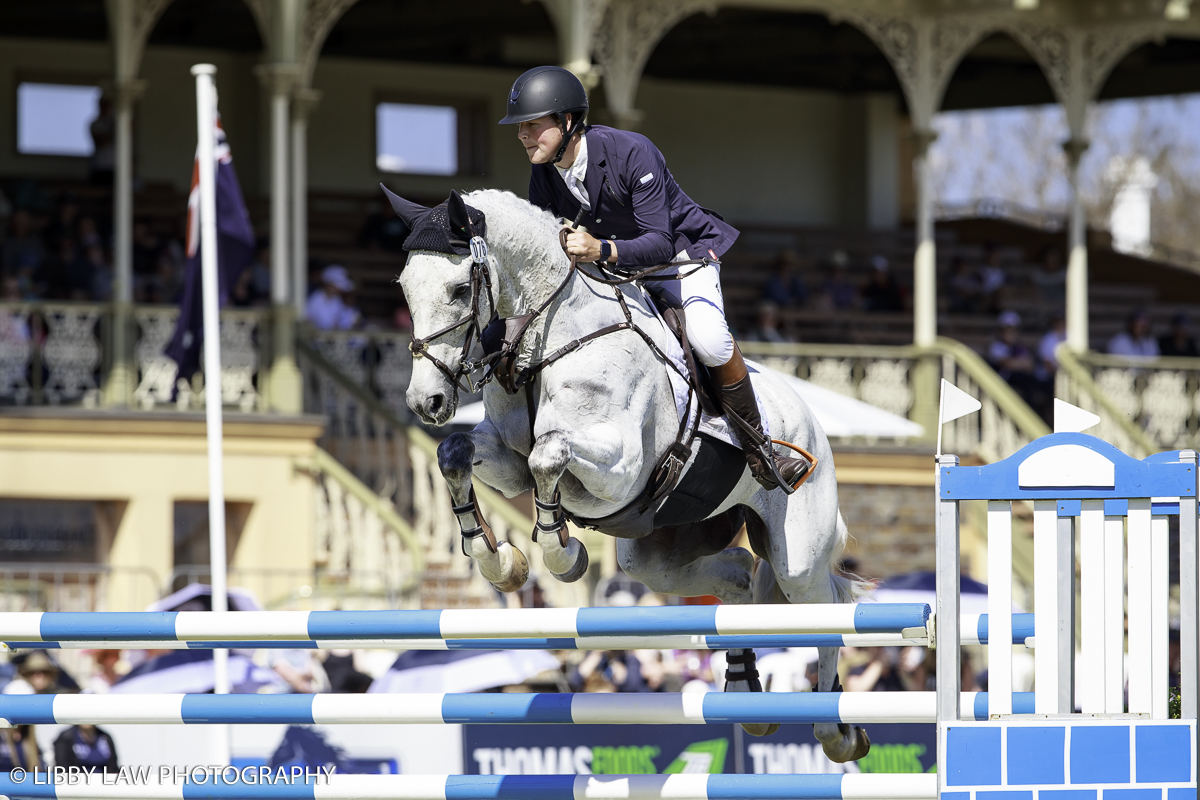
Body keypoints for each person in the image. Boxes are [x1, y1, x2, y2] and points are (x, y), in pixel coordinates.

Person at [502, 66, 806, 491]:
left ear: (567, 121)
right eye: (520, 127)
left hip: (682, 258)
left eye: (533, 125)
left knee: (707, 338)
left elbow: (660, 243)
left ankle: (762, 450)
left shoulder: (631, 151)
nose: (523, 135)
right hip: (620, 269)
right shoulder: (544, 172)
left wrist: (600, 249)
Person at [306, 265, 361, 331]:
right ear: (329, 284)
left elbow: (343, 320)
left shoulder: (336, 300)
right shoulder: (314, 300)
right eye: (336, 286)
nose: (338, 289)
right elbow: (308, 322)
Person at [53, 724, 118, 771]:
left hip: (103, 785)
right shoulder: (66, 737)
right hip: (75, 784)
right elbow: (62, 767)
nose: (86, 718)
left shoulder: (105, 737)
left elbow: (113, 767)